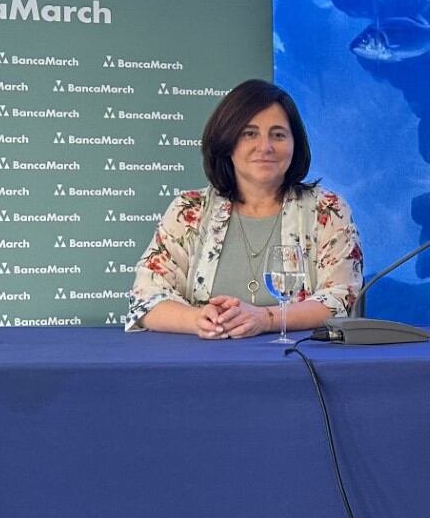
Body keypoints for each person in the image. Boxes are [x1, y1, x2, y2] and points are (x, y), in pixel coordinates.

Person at [125, 79, 363, 337]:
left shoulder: (327, 209)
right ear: (227, 142)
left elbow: (341, 298)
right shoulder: (188, 211)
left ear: (295, 144)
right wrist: (198, 320)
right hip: (200, 367)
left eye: (278, 134)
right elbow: (146, 298)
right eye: (249, 133)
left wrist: (267, 319)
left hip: (300, 367)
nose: (265, 147)